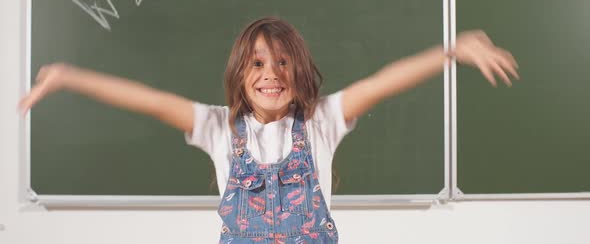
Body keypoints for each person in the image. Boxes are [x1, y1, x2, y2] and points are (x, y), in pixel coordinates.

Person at [19, 17, 519, 243]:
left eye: (283, 63)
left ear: (300, 74)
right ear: (240, 74)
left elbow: (382, 83)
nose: (271, 74)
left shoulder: (322, 122)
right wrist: (69, 77)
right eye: (257, 63)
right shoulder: (217, 128)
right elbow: (149, 100)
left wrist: (450, 51)